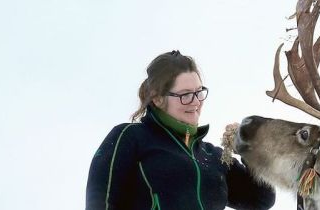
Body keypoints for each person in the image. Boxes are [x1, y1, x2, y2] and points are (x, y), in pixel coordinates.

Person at [86, 50, 275, 210]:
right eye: (185, 95)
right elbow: (100, 201)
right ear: (157, 98)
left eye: (199, 92)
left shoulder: (214, 158)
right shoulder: (130, 138)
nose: (196, 102)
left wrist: (250, 149)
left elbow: (262, 198)